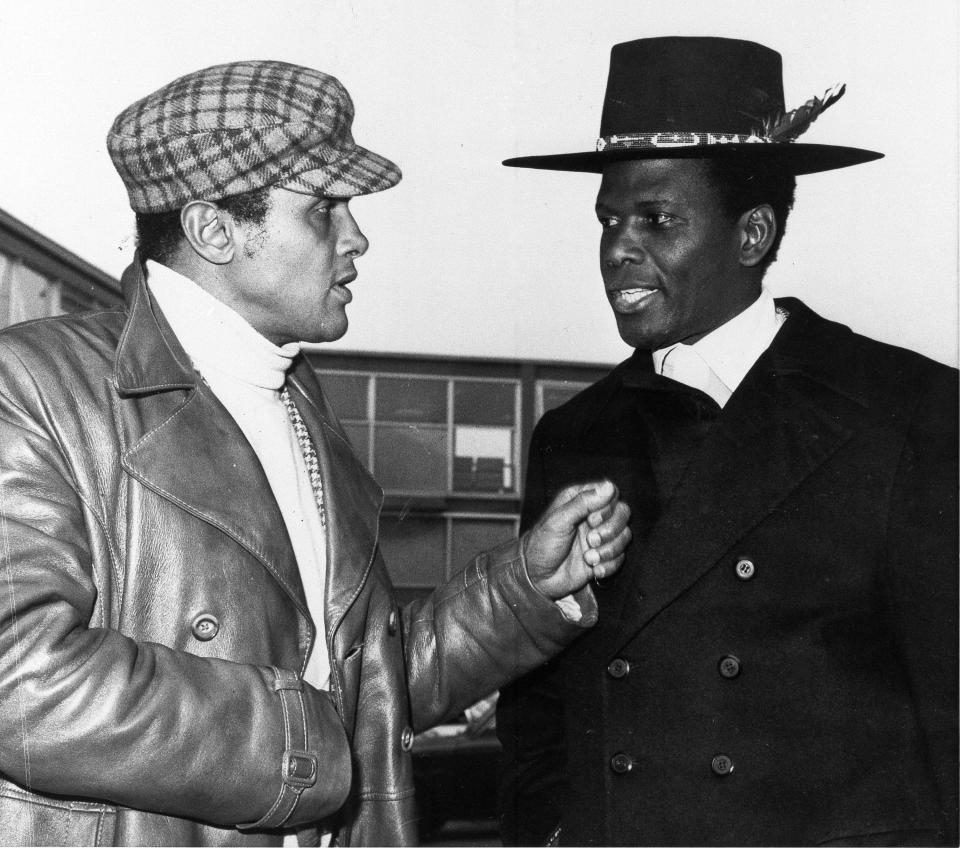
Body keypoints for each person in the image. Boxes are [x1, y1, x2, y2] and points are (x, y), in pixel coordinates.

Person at [0, 60, 632, 846]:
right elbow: (18, 680)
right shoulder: (36, 386)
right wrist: (298, 740)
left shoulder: (297, 403)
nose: (357, 237)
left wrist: (523, 591)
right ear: (214, 229)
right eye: (325, 209)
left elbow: (366, 693)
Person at [496, 36, 958, 847]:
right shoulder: (573, 435)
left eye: (657, 219)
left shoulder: (910, 410)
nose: (618, 248)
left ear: (751, 235)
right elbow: (538, 707)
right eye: (608, 219)